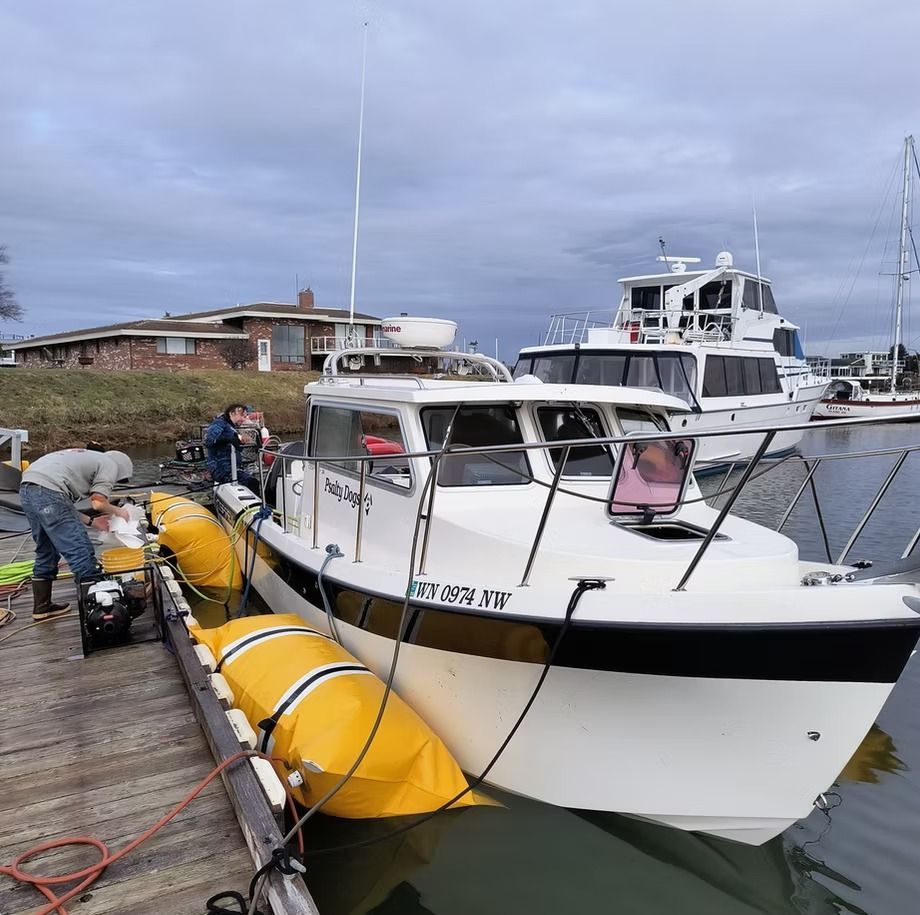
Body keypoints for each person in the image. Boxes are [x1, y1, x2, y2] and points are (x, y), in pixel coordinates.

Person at [19, 449, 133, 621]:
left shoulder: (84, 457)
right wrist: (118, 511)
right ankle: (97, 612)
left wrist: (93, 522)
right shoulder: (109, 464)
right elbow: (98, 503)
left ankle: (42, 607)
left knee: (46, 549)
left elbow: (62, 507)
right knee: (80, 550)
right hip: (48, 491)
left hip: (28, 489)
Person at [204, 403, 259, 494]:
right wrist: (229, 439)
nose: (244, 419)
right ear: (232, 413)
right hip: (222, 469)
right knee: (253, 483)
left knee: (254, 481)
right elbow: (209, 441)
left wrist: (241, 440)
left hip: (233, 467)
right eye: (242, 416)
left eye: (245, 417)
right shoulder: (219, 423)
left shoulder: (231, 427)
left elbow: (232, 442)